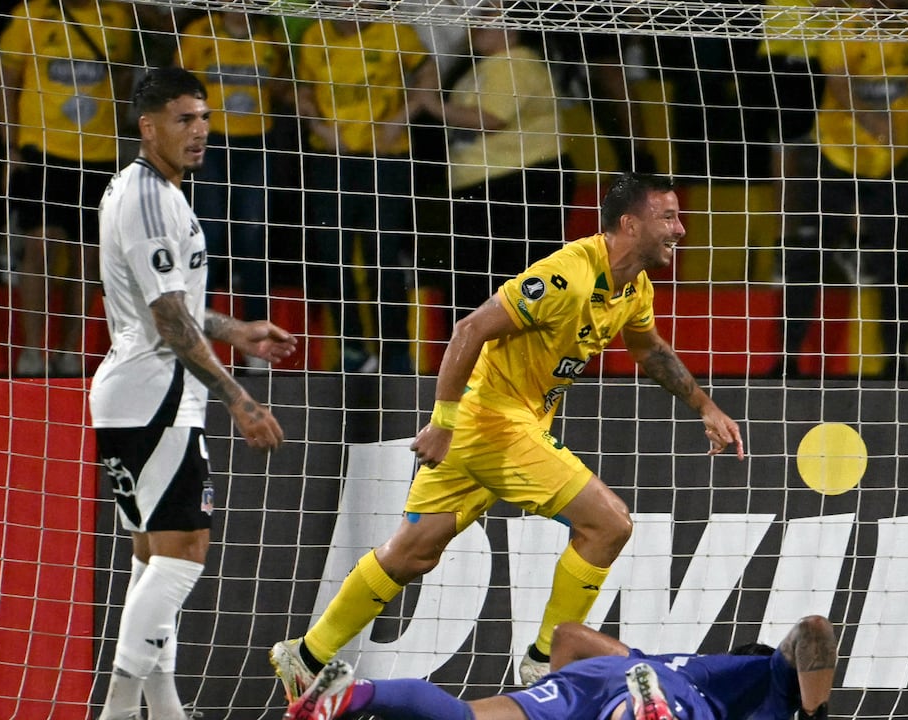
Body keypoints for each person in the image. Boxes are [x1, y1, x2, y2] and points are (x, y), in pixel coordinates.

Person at [271, 172, 745, 700]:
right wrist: (442, 421)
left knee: (413, 553)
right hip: (493, 422)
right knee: (609, 525)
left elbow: (650, 349)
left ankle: (306, 655)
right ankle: (547, 661)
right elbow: (470, 328)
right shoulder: (566, 276)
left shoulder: (633, 288)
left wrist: (703, 405)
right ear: (629, 224)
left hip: (502, 425)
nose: (680, 229)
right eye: (668, 217)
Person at [90, 66, 296, 720]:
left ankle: (166, 711)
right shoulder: (152, 199)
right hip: (158, 395)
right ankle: (118, 713)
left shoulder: (143, 190)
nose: (200, 130)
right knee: (184, 557)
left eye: (204, 117)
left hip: (132, 391)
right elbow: (171, 323)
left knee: (153, 558)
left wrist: (238, 330)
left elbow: (174, 307)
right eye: (185, 119)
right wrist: (241, 398)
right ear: (148, 127)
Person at [284, 615, 837, 720]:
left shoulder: (649, 659)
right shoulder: (762, 679)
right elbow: (814, 630)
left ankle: (351, 695)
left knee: (463, 717)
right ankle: (644, 714)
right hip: (669, 696)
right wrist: (814, 714)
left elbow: (569, 634)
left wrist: (545, 680)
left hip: (589, 683)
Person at [779, 0, 908, 379]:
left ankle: (896, 360)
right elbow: (840, 84)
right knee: (809, 257)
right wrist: (878, 124)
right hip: (837, 157)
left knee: (895, 263)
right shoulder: (846, 27)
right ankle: (787, 358)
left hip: (892, 164)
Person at [0, 0, 136, 376]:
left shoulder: (118, 18)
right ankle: (31, 351)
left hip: (98, 154)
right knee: (40, 248)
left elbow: (122, 75)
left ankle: (69, 350)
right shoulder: (30, 14)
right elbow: (7, 78)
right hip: (41, 150)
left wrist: (118, 131)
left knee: (87, 258)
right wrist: (10, 144)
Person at [294, 15, 439, 374]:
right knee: (333, 255)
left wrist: (403, 116)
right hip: (332, 157)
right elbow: (301, 90)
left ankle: (395, 354)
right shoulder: (315, 35)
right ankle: (352, 349)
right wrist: (315, 123)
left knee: (383, 256)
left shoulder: (395, 32)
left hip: (385, 158)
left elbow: (428, 71)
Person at [417, 22, 574, 318]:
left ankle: (522, 353)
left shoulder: (514, 61)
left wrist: (432, 105)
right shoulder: (488, 64)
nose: (475, 27)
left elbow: (490, 118)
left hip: (516, 179)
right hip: (489, 180)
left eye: (486, 20)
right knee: (485, 279)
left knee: (511, 276)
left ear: (511, 29)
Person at [178, 8, 291, 370]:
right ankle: (198, 342)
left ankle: (257, 343)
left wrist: (273, 83)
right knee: (206, 236)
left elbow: (287, 86)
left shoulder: (270, 37)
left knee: (253, 239)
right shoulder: (199, 34)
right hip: (211, 146)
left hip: (256, 145)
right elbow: (177, 87)